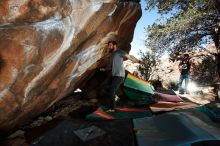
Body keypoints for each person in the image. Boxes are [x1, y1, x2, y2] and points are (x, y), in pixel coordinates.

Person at [103, 41, 144, 112]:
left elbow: (130, 57)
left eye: (110, 45)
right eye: (108, 45)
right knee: (106, 86)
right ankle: (115, 97)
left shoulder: (119, 52)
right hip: (114, 75)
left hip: (119, 75)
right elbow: (110, 66)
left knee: (112, 90)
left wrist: (138, 61)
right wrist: (104, 69)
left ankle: (112, 109)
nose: (109, 47)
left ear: (114, 45)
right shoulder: (112, 55)